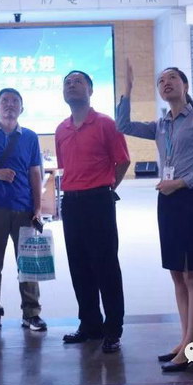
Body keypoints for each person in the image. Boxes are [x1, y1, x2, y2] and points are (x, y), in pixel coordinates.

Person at [115, 61, 193, 372]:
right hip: (167, 202)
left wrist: (181, 182)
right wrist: (128, 90)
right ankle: (186, 339)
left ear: (185, 86)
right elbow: (123, 126)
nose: (166, 83)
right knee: (177, 273)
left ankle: (191, 344)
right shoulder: (161, 126)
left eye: (173, 78)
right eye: (161, 80)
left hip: (189, 200)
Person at [55, 70, 130, 354]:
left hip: (98, 201)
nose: (71, 85)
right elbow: (64, 167)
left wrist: (108, 187)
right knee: (79, 265)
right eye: (67, 82)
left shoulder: (106, 124)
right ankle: (90, 325)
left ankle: (113, 329)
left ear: (90, 90)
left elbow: (122, 161)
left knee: (105, 266)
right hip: (71, 203)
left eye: (78, 82)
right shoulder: (61, 129)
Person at [0, 88, 47, 333]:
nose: (9, 105)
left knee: (28, 263)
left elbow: (35, 173)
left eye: (15, 101)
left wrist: (38, 207)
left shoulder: (30, 137)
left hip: (24, 208)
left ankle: (32, 313)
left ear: (21, 109)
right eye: (4, 101)